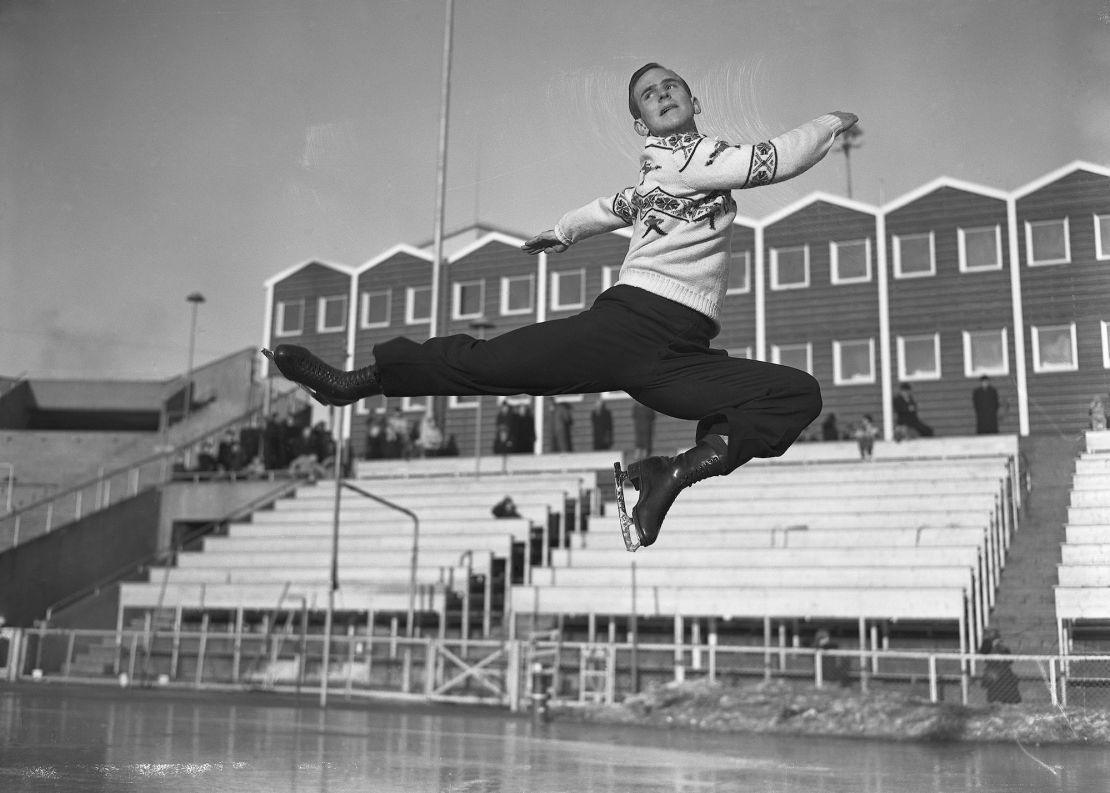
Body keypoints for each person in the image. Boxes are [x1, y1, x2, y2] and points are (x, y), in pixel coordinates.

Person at [264, 62, 857, 549]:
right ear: (640, 121)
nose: (662, 94)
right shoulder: (687, 159)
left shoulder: (670, 169)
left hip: (678, 353)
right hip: (628, 325)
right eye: (649, 96)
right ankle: (352, 383)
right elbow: (775, 160)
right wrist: (831, 122)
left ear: (694, 98)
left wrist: (563, 230)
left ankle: (669, 475)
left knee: (795, 392)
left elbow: (611, 206)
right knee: (490, 363)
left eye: (670, 85)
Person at [978, 628, 1021, 704]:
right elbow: (983, 652)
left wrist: (1001, 647)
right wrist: (992, 644)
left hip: (1004, 671)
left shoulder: (1002, 646)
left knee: (1009, 689)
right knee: (994, 690)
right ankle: (994, 703)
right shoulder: (987, 644)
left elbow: (1010, 660)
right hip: (993, 671)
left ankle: (1009, 702)